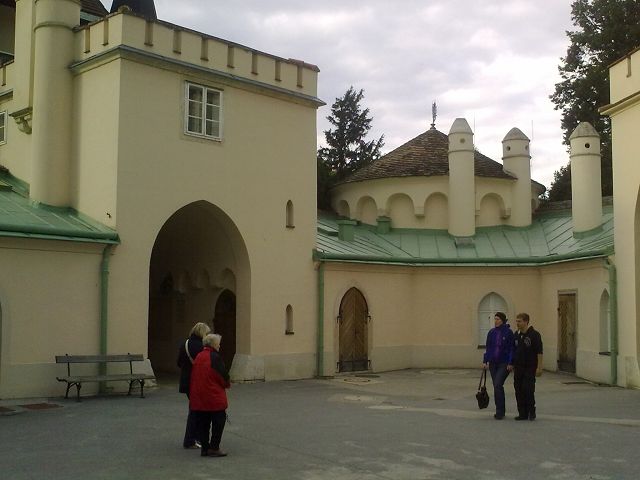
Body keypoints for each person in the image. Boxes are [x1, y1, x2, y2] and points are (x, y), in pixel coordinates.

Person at [190, 333, 231, 457]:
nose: (219, 345)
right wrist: (227, 383)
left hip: (200, 395)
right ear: (213, 344)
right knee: (218, 422)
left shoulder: (199, 356)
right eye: (218, 343)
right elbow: (221, 376)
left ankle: (205, 448)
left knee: (203, 423)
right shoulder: (214, 357)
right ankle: (214, 447)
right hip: (213, 395)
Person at [177, 322, 211, 449]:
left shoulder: (184, 344)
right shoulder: (202, 347)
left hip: (186, 381)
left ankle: (194, 438)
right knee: (197, 411)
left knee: (195, 409)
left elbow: (179, 362)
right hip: (198, 382)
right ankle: (192, 439)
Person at [508, 312, 543, 421]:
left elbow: (539, 352)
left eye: (519, 321)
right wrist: (511, 363)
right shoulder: (516, 335)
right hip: (518, 367)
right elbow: (513, 350)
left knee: (528, 389)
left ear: (526, 322)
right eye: (517, 321)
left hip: (530, 367)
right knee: (518, 390)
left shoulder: (534, 335)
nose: (517, 323)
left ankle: (531, 411)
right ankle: (522, 413)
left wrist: (539, 367)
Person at [482, 311, 514, 420]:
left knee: (498, 384)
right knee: (497, 387)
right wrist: (485, 360)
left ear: (503, 320)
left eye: (498, 319)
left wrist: (510, 362)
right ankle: (499, 410)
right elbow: (488, 348)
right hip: (493, 363)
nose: (495, 321)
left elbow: (511, 349)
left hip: (503, 363)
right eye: (495, 319)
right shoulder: (491, 332)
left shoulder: (508, 332)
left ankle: (500, 411)